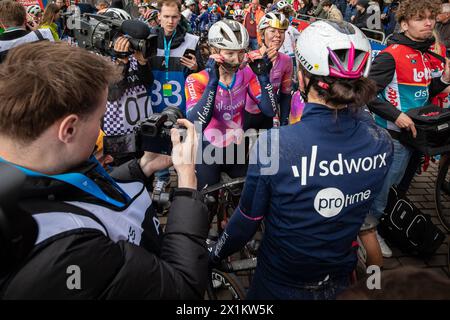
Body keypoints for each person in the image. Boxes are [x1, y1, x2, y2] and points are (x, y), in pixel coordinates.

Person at [0, 41, 208, 299]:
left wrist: (141, 168)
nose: (101, 131)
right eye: (99, 120)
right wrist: (187, 185)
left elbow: (69, 193)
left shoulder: (34, 165)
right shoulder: (72, 251)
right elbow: (183, 290)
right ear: (69, 129)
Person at [210, 20, 393, 300]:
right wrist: (373, 287)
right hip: (342, 279)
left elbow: (247, 220)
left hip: (280, 282)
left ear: (302, 75)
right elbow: (363, 216)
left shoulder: (275, 144)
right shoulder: (382, 142)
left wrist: (214, 254)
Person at [364, 0, 449, 263]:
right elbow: (366, 94)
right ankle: (370, 231)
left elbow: (425, 92)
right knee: (383, 188)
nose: (428, 23)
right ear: (403, 24)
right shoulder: (392, 53)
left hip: (416, 137)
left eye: (431, 18)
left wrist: (444, 80)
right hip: (393, 137)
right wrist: (396, 115)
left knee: (399, 188)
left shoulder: (425, 53)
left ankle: (386, 224)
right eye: (420, 18)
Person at [185, 19, 278, 190]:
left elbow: (270, 110)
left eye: (241, 53)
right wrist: (213, 83)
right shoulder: (197, 80)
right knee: (207, 204)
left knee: (240, 200)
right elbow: (195, 123)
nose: (236, 60)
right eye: (229, 53)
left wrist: (264, 77)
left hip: (237, 148)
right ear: (214, 51)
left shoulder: (246, 74)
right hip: (207, 151)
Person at [149, 0, 203, 193]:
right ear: (159, 18)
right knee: (157, 140)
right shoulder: (149, 40)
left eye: (174, 17)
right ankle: (161, 178)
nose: (170, 21)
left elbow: (202, 73)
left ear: (180, 17)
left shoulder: (191, 40)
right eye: (166, 17)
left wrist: (196, 68)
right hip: (156, 100)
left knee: (184, 141)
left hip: (181, 101)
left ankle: (185, 180)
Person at [100, 8, 154, 166]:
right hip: (118, 134)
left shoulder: (134, 53)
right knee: (123, 173)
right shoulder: (100, 59)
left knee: (144, 170)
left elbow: (147, 83)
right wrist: (122, 63)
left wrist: (143, 63)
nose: (127, 41)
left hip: (141, 129)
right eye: (122, 36)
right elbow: (112, 95)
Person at [245, 12, 293, 129]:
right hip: (246, 115)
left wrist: (284, 122)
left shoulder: (287, 61)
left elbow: (285, 95)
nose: (278, 35)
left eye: (281, 32)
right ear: (262, 35)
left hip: (268, 116)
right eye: (272, 31)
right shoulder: (249, 59)